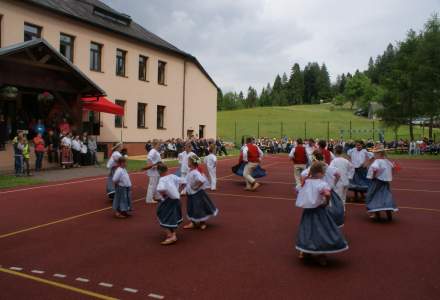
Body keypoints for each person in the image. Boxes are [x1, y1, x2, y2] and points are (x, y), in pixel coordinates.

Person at [295, 161, 348, 266]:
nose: (324, 174)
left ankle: (305, 250)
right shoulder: (321, 183)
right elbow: (327, 193)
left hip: (308, 212)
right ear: (319, 173)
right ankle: (321, 255)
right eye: (323, 172)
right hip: (320, 211)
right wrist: (326, 202)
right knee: (322, 230)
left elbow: (297, 190)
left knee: (307, 229)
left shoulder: (306, 182)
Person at [301, 151, 344, 228]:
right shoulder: (330, 168)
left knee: (316, 212)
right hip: (329, 191)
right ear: (323, 158)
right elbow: (338, 174)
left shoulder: (312, 169)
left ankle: (318, 228)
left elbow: (303, 176)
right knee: (331, 210)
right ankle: (329, 228)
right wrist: (333, 184)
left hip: (317, 194)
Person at [183, 154, 218, 230]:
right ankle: (193, 222)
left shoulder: (195, 172)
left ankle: (203, 222)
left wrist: (196, 187)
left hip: (197, 194)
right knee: (191, 208)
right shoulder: (190, 171)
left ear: (192, 163)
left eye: (188, 161)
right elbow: (187, 180)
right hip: (190, 193)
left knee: (200, 208)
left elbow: (202, 180)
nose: (187, 163)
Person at [365, 144, 399, 221]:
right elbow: (394, 167)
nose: (374, 154)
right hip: (385, 182)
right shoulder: (387, 161)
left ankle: (376, 215)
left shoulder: (377, 161)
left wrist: (373, 176)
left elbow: (374, 168)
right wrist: (389, 175)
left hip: (377, 181)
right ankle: (389, 214)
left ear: (379, 154)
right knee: (385, 195)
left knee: (373, 196)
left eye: (375, 153)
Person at [156, 163, 183, 245]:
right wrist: (179, 190)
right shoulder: (172, 176)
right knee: (172, 215)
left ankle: (170, 235)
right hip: (176, 200)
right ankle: (173, 233)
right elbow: (183, 181)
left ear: (159, 172)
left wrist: (162, 196)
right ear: (167, 169)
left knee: (162, 215)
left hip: (168, 200)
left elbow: (160, 188)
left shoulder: (162, 179)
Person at [143, 139, 162, 204]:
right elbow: (149, 158)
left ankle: (157, 196)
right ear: (156, 144)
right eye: (159, 144)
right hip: (153, 171)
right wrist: (151, 166)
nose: (160, 145)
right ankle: (149, 199)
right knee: (152, 185)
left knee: (156, 184)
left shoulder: (156, 151)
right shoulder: (153, 151)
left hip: (156, 170)